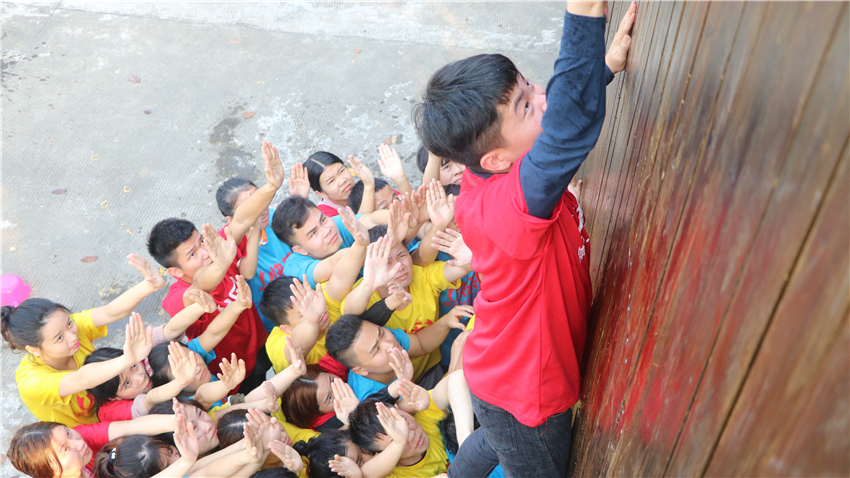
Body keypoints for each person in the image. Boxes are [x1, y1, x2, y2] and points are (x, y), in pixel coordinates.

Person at [413, 1, 635, 477]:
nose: (544, 99)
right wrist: (583, 17)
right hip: (528, 398)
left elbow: (555, 127)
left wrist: (603, 70)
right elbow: (564, 132)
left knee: (492, 437)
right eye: (528, 106)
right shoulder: (508, 208)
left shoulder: (492, 171)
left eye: (530, 87)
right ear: (493, 159)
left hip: (498, 370)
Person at [148, 141, 286, 394]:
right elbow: (204, 285)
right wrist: (222, 263)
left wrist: (272, 186)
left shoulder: (216, 247)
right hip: (229, 373)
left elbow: (243, 218)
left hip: (259, 344)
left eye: (201, 241)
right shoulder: (176, 299)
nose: (204, 252)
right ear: (176, 272)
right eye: (192, 254)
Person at [2, 256, 161, 427]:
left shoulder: (65, 328)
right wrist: (126, 360)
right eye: (59, 338)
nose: (72, 336)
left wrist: (149, 285)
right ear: (34, 349)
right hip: (85, 437)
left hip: (111, 401)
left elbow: (110, 312)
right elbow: (81, 379)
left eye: (69, 323)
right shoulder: (31, 381)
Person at [345, 371, 472, 478]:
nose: (411, 435)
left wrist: (466, 445)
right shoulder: (391, 473)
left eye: (404, 420)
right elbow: (367, 473)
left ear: (402, 410)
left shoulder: (422, 419)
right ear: (380, 453)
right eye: (395, 438)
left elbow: (456, 379)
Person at [6, 404, 179, 478]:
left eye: (68, 433)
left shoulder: (82, 437)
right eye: (65, 449)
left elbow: (132, 427)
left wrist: (176, 421)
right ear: (52, 473)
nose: (79, 443)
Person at [325, 314, 463, 400]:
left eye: (382, 333)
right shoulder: (368, 398)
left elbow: (421, 344)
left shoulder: (380, 338)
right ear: (360, 370)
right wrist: (453, 376)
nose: (389, 344)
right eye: (377, 350)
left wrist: (446, 321)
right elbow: (413, 416)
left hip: (427, 379)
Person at [305, 151, 375, 217]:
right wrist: (369, 186)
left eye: (341, 171)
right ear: (321, 193)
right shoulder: (326, 216)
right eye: (331, 181)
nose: (342, 181)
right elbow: (363, 225)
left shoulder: (363, 188)